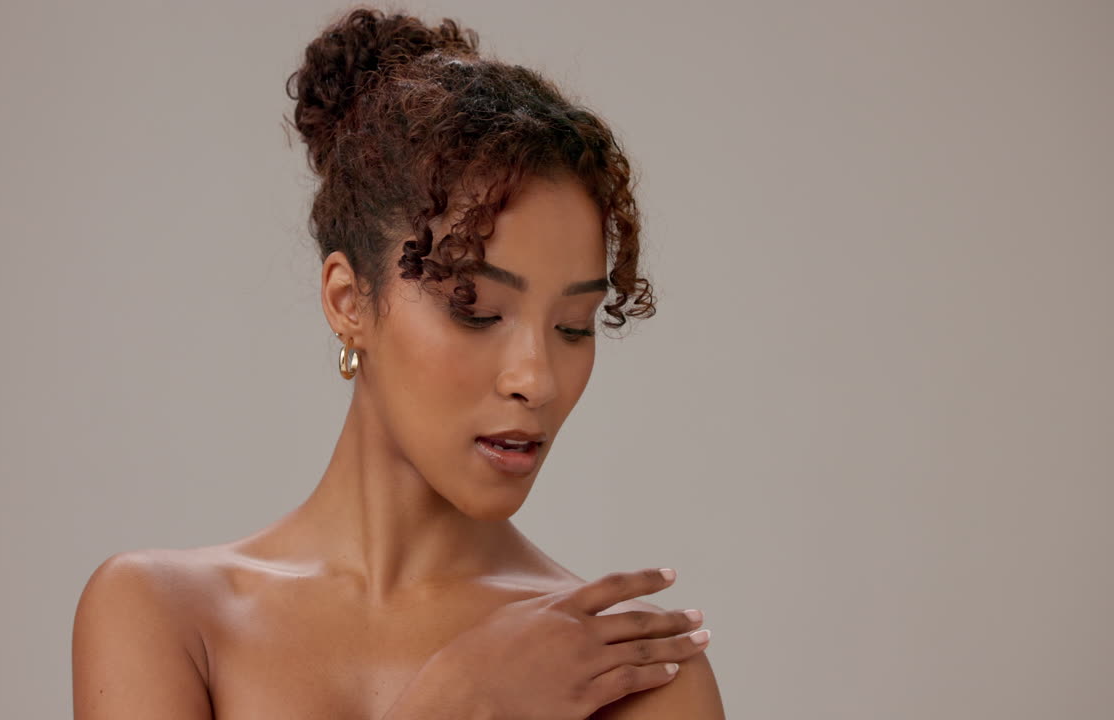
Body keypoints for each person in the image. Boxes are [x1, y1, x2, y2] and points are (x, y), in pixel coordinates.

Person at [72, 6, 725, 719]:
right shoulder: (166, 617)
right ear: (349, 300)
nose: (536, 380)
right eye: (476, 310)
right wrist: (458, 703)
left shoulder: (629, 677)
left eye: (574, 326)